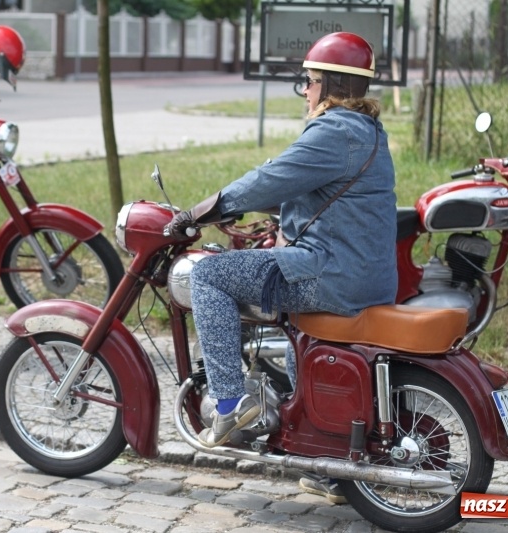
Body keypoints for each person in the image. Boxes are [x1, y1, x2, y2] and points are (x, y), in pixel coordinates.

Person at [165, 32, 397, 501]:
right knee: (299, 340)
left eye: (309, 81)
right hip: (366, 274)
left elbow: (271, 178)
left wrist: (198, 212)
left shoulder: (334, 131)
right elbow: (321, 192)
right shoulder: (367, 130)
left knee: (209, 275)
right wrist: (273, 214)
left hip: (331, 274)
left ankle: (231, 403)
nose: (305, 90)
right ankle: (330, 464)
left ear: (330, 84)